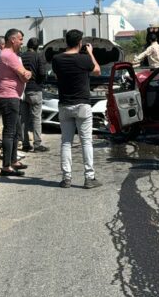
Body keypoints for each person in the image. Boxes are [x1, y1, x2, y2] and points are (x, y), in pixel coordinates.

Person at [51, 29, 102, 189]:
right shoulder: (85, 59)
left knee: (66, 142)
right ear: (80, 43)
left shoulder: (57, 59)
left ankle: (66, 178)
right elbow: (97, 70)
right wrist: (90, 52)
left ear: (66, 42)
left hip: (65, 104)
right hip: (82, 104)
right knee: (86, 141)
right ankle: (89, 178)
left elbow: (57, 76)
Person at [0, 30, 33, 176]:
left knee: (15, 130)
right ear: (12, 39)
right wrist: (27, 74)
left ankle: (13, 160)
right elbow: (25, 75)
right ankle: (6, 166)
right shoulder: (9, 55)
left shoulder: (9, 55)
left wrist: (25, 75)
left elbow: (23, 75)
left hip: (11, 96)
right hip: (8, 96)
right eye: (20, 39)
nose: (22, 42)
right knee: (9, 131)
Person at [20, 37, 48, 153]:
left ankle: (25, 144)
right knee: (36, 118)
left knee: (23, 119)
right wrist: (40, 83)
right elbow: (42, 73)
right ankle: (37, 144)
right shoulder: (38, 56)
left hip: (22, 90)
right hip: (35, 89)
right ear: (37, 47)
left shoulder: (21, 56)